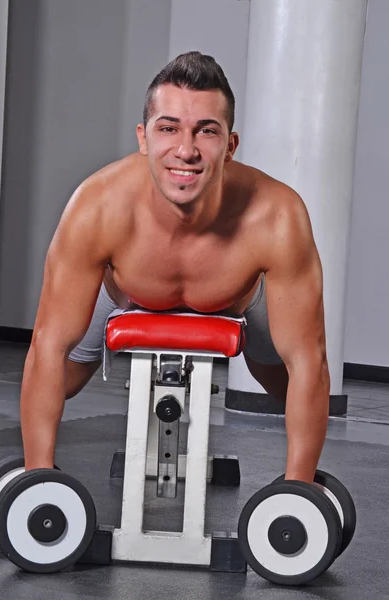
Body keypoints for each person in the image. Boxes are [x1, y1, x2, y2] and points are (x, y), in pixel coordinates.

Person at [21, 51, 330, 484]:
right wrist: (35, 480)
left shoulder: (277, 217)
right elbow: (47, 345)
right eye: (168, 129)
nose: (186, 150)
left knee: (287, 385)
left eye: (206, 131)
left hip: (237, 294)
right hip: (124, 289)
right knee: (63, 377)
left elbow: (308, 361)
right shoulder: (97, 207)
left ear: (230, 146)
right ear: (144, 137)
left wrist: (299, 491)